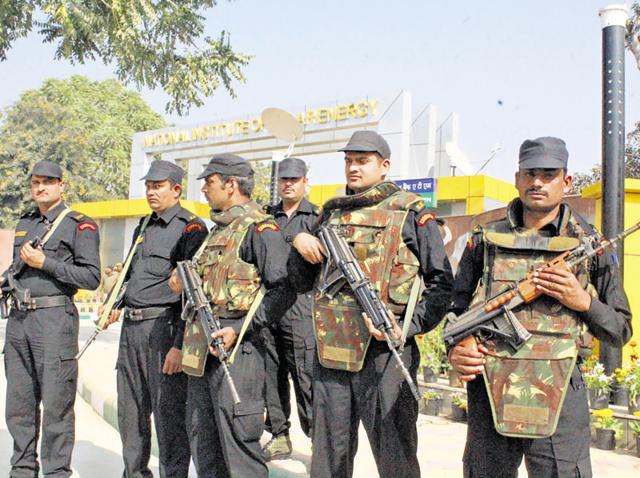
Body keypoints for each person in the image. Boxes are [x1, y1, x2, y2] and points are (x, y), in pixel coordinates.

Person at [447, 136, 633, 477]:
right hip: (492, 388)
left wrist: (582, 301)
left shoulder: (592, 245)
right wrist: (458, 346)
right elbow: (454, 308)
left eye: (548, 174)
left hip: (560, 393)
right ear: (517, 178)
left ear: (566, 181)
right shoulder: (484, 240)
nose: (537, 182)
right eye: (530, 173)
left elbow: (620, 330)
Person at [289, 131, 453, 477]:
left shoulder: (410, 213)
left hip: (384, 354)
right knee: (329, 458)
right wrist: (299, 243)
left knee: (395, 457)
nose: (353, 168)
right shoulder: (329, 215)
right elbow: (303, 283)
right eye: (348, 161)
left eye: (362, 161)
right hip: (332, 353)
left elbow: (441, 286)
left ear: (384, 165)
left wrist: (406, 327)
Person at [169, 153, 293, 477]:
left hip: (240, 350)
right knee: (204, 444)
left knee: (240, 449)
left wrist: (240, 328)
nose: (205, 191)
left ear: (231, 184)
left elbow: (283, 289)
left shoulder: (260, 229)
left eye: (209, 183)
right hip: (203, 348)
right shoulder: (217, 232)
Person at [106, 160, 208, 478]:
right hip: (132, 330)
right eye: (148, 185)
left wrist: (179, 344)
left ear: (176, 189)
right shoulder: (144, 226)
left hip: (164, 328)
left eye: (158, 185)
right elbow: (134, 276)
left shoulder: (192, 228)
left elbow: (190, 294)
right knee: (131, 411)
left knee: (169, 416)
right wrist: (115, 303)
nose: (151, 191)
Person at [3, 160, 101, 477]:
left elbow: (91, 277)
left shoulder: (79, 224)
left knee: (57, 406)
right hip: (19, 322)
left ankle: (57, 472)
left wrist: (45, 262)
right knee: (19, 406)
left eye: (48, 181)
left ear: (62, 185)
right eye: (35, 182)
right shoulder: (25, 222)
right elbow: (19, 270)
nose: (40, 187)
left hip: (54, 321)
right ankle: (21, 470)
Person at [261, 157, 319, 460]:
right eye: (284, 179)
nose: (288, 184)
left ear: (305, 182)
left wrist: (298, 237)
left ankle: (317, 443)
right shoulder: (267, 217)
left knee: (305, 376)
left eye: (294, 179)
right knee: (271, 374)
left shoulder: (317, 217)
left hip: (300, 306)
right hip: (269, 307)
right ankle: (279, 435)